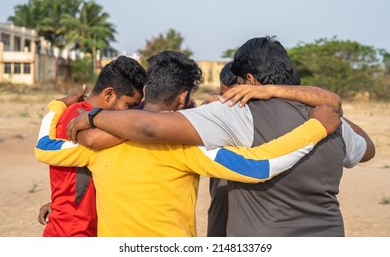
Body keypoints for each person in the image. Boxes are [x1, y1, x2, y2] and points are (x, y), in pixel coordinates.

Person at [65, 37, 374, 237]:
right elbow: (368, 149)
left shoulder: (238, 114)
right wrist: (320, 116)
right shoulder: (334, 122)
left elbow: (151, 126)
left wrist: (92, 117)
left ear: (249, 81)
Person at [37, 55, 147, 237]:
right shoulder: (80, 118)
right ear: (109, 94)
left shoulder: (81, 113)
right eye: (130, 105)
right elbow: (99, 140)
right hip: (74, 229)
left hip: (74, 224)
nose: (130, 113)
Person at [205, 61, 238, 237]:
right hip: (221, 205)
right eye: (222, 95)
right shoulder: (215, 113)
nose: (226, 102)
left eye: (233, 97)